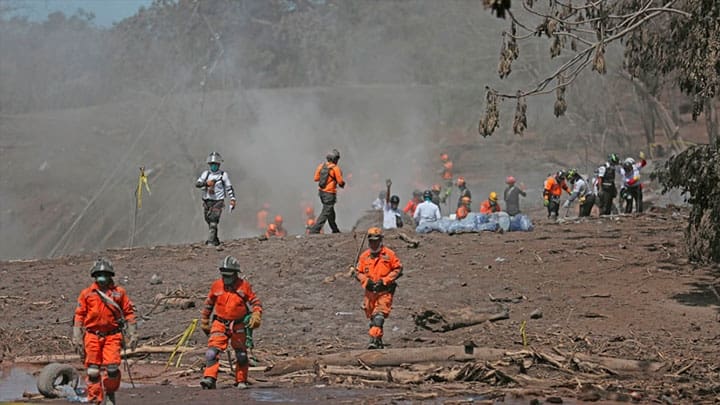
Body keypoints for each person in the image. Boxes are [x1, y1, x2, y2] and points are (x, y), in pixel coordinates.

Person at [73, 258, 138, 405]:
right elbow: (79, 315)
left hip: (112, 336)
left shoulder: (119, 293)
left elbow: (128, 313)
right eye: (99, 274)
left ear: (110, 275)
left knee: (112, 368)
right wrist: (76, 335)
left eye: (105, 274)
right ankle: (95, 399)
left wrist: (133, 333)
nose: (102, 277)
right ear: (94, 276)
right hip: (92, 335)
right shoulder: (87, 294)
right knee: (93, 371)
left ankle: (110, 394)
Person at [200, 256, 262, 390]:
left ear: (235, 274)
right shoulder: (216, 285)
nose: (226, 278)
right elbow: (209, 304)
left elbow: (255, 302)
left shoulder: (244, 286)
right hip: (220, 323)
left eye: (229, 275)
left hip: (238, 325)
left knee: (241, 354)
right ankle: (210, 378)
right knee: (211, 352)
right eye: (224, 275)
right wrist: (205, 320)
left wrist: (256, 314)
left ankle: (241, 380)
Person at [353, 227, 403, 349]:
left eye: (376, 240)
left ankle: (374, 341)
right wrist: (366, 281)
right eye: (371, 241)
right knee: (372, 318)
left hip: (384, 292)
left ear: (381, 240)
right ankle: (377, 339)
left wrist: (385, 281)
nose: (374, 243)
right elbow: (358, 272)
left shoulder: (389, 255)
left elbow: (398, 269)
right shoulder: (364, 257)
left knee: (379, 316)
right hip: (369, 293)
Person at [195, 152, 236, 246]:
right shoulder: (206, 174)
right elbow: (197, 184)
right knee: (208, 220)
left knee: (214, 221)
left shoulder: (223, 175)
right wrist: (206, 184)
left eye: (216, 164)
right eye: (212, 164)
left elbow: (229, 187)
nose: (214, 166)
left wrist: (232, 199)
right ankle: (215, 239)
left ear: (219, 164)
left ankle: (210, 242)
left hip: (218, 201)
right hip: (207, 201)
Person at [309, 149, 345, 234]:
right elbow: (340, 182)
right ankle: (315, 230)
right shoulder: (335, 168)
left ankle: (335, 229)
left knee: (330, 211)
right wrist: (341, 183)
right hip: (330, 193)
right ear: (335, 159)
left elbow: (316, 178)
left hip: (322, 193)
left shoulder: (321, 166)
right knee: (326, 212)